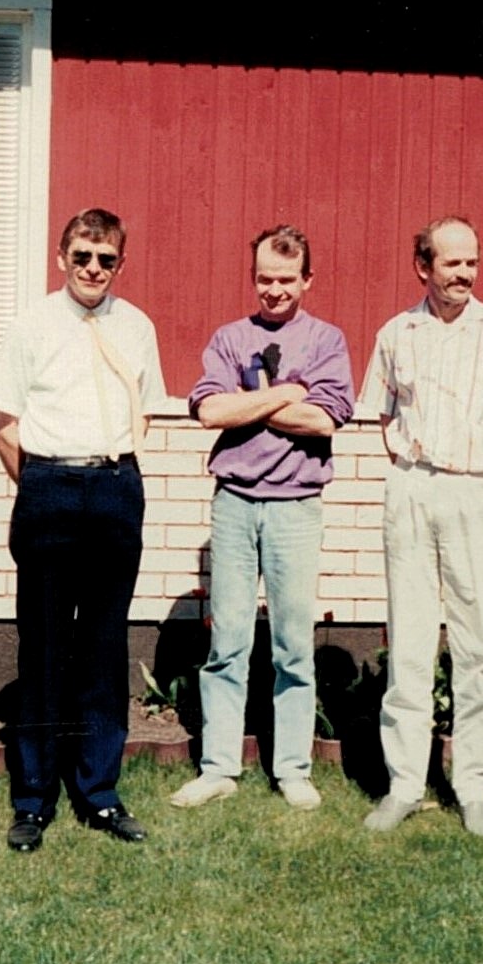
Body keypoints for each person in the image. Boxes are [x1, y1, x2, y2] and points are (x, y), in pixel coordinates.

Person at [358, 215, 483, 836]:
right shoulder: (396, 334)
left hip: (476, 494)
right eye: (451, 263)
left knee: (476, 647)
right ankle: (405, 785)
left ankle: (472, 788)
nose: (464, 273)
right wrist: (419, 470)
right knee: (410, 647)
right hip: (414, 488)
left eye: (472, 261)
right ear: (424, 267)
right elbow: (381, 416)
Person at [0, 208, 166, 853]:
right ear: (62, 257)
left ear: (122, 262)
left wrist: (105, 474)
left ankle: (99, 792)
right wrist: (43, 486)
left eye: (106, 259)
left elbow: (143, 409)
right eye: (83, 256)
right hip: (49, 488)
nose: (94, 269)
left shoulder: (138, 327)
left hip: (116, 487)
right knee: (41, 646)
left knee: (103, 645)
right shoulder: (31, 325)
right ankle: (33, 798)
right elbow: (2, 425)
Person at [169, 226, 354, 812]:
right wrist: (285, 393)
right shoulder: (229, 338)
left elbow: (325, 421)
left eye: (285, 279)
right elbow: (210, 410)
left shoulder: (327, 340)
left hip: (296, 504)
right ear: (253, 279)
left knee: (293, 642)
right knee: (227, 640)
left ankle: (292, 769)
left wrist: (253, 406)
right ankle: (219, 767)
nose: (274, 290)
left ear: (307, 280)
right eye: (264, 279)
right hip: (235, 502)